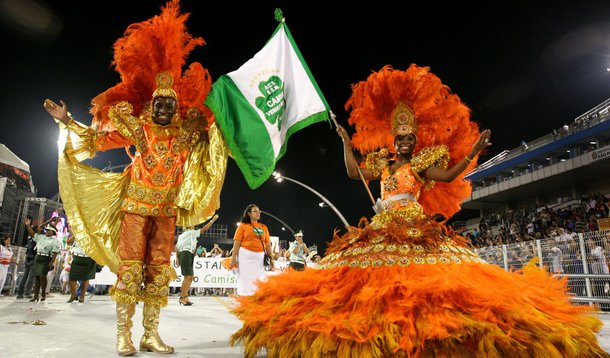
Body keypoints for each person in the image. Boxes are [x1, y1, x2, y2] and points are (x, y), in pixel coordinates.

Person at [229, 65, 608, 357]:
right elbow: (351, 171)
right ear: (394, 141)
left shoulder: (422, 165)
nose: (406, 141)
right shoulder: (381, 164)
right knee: (367, 284)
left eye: (411, 137)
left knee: (425, 283)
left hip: (413, 228)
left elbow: (451, 175)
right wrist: (346, 141)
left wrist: (473, 152)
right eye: (401, 138)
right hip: (381, 228)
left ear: (417, 140)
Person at [42, 1, 227, 355]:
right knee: (130, 272)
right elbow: (98, 140)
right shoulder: (137, 129)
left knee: (159, 273)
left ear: (176, 108)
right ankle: (123, 335)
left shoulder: (185, 135)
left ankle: (150, 334)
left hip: (167, 212)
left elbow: (215, 134)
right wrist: (66, 121)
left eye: (168, 105)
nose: (162, 108)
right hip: (135, 210)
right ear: (150, 106)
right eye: (157, 103)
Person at [230, 204, 275, 297]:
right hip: (245, 256)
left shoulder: (264, 227)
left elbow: (268, 245)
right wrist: (233, 258)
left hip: (259, 257)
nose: (258, 213)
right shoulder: (242, 226)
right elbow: (237, 243)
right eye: (255, 211)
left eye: (259, 211)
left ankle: (257, 296)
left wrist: (272, 259)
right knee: (244, 277)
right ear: (249, 213)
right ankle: (244, 296)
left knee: (259, 277)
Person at [175, 214, 218, 306]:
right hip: (186, 253)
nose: (193, 225)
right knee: (187, 277)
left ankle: (185, 296)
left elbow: (177, 248)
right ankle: (182, 297)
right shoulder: (191, 232)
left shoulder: (181, 236)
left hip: (187, 254)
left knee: (190, 277)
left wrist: (177, 259)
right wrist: (212, 220)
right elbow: (204, 229)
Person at [23, 218, 60, 302]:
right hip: (37, 257)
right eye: (46, 230)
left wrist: (51, 262)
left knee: (42, 276)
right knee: (36, 277)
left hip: (46, 258)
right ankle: (36, 296)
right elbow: (32, 234)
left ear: (53, 232)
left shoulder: (55, 241)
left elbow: (55, 253)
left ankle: (43, 293)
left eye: (49, 230)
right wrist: (28, 225)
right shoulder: (41, 237)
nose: (46, 231)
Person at [66, 233, 97, 303]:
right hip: (77, 258)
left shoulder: (93, 234)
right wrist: (75, 234)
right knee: (72, 277)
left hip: (88, 258)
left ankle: (82, 296)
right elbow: (68, 243)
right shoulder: (77, 233)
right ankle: (73, 295)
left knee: (85, 278)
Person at [16, 220, 37, 299]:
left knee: (25, 276)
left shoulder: (29, 237)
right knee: (31, 277)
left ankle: (20, 293)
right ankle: (27, 293)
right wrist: (28, 226)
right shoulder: (35, 237)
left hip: (28, 256)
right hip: (33, 257)